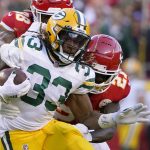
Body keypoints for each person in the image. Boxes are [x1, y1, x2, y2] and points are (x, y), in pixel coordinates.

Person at [0, 8, 95, 150]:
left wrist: (112, 119)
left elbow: (87, 116)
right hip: (14, 129)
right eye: (68, 37)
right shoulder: (27, 47)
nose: (73, 45)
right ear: (54, 31)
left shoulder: (80, 73)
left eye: (79, 41)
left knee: (81, 145)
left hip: (45, 127)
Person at [53, 34, 150, 150]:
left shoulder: (115, 87)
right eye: (91, 73)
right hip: (47, 125)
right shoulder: (68, 72)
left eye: (100, 76)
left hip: (81, 131)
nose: (93, 80)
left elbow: (109, 130)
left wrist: (84, 137)